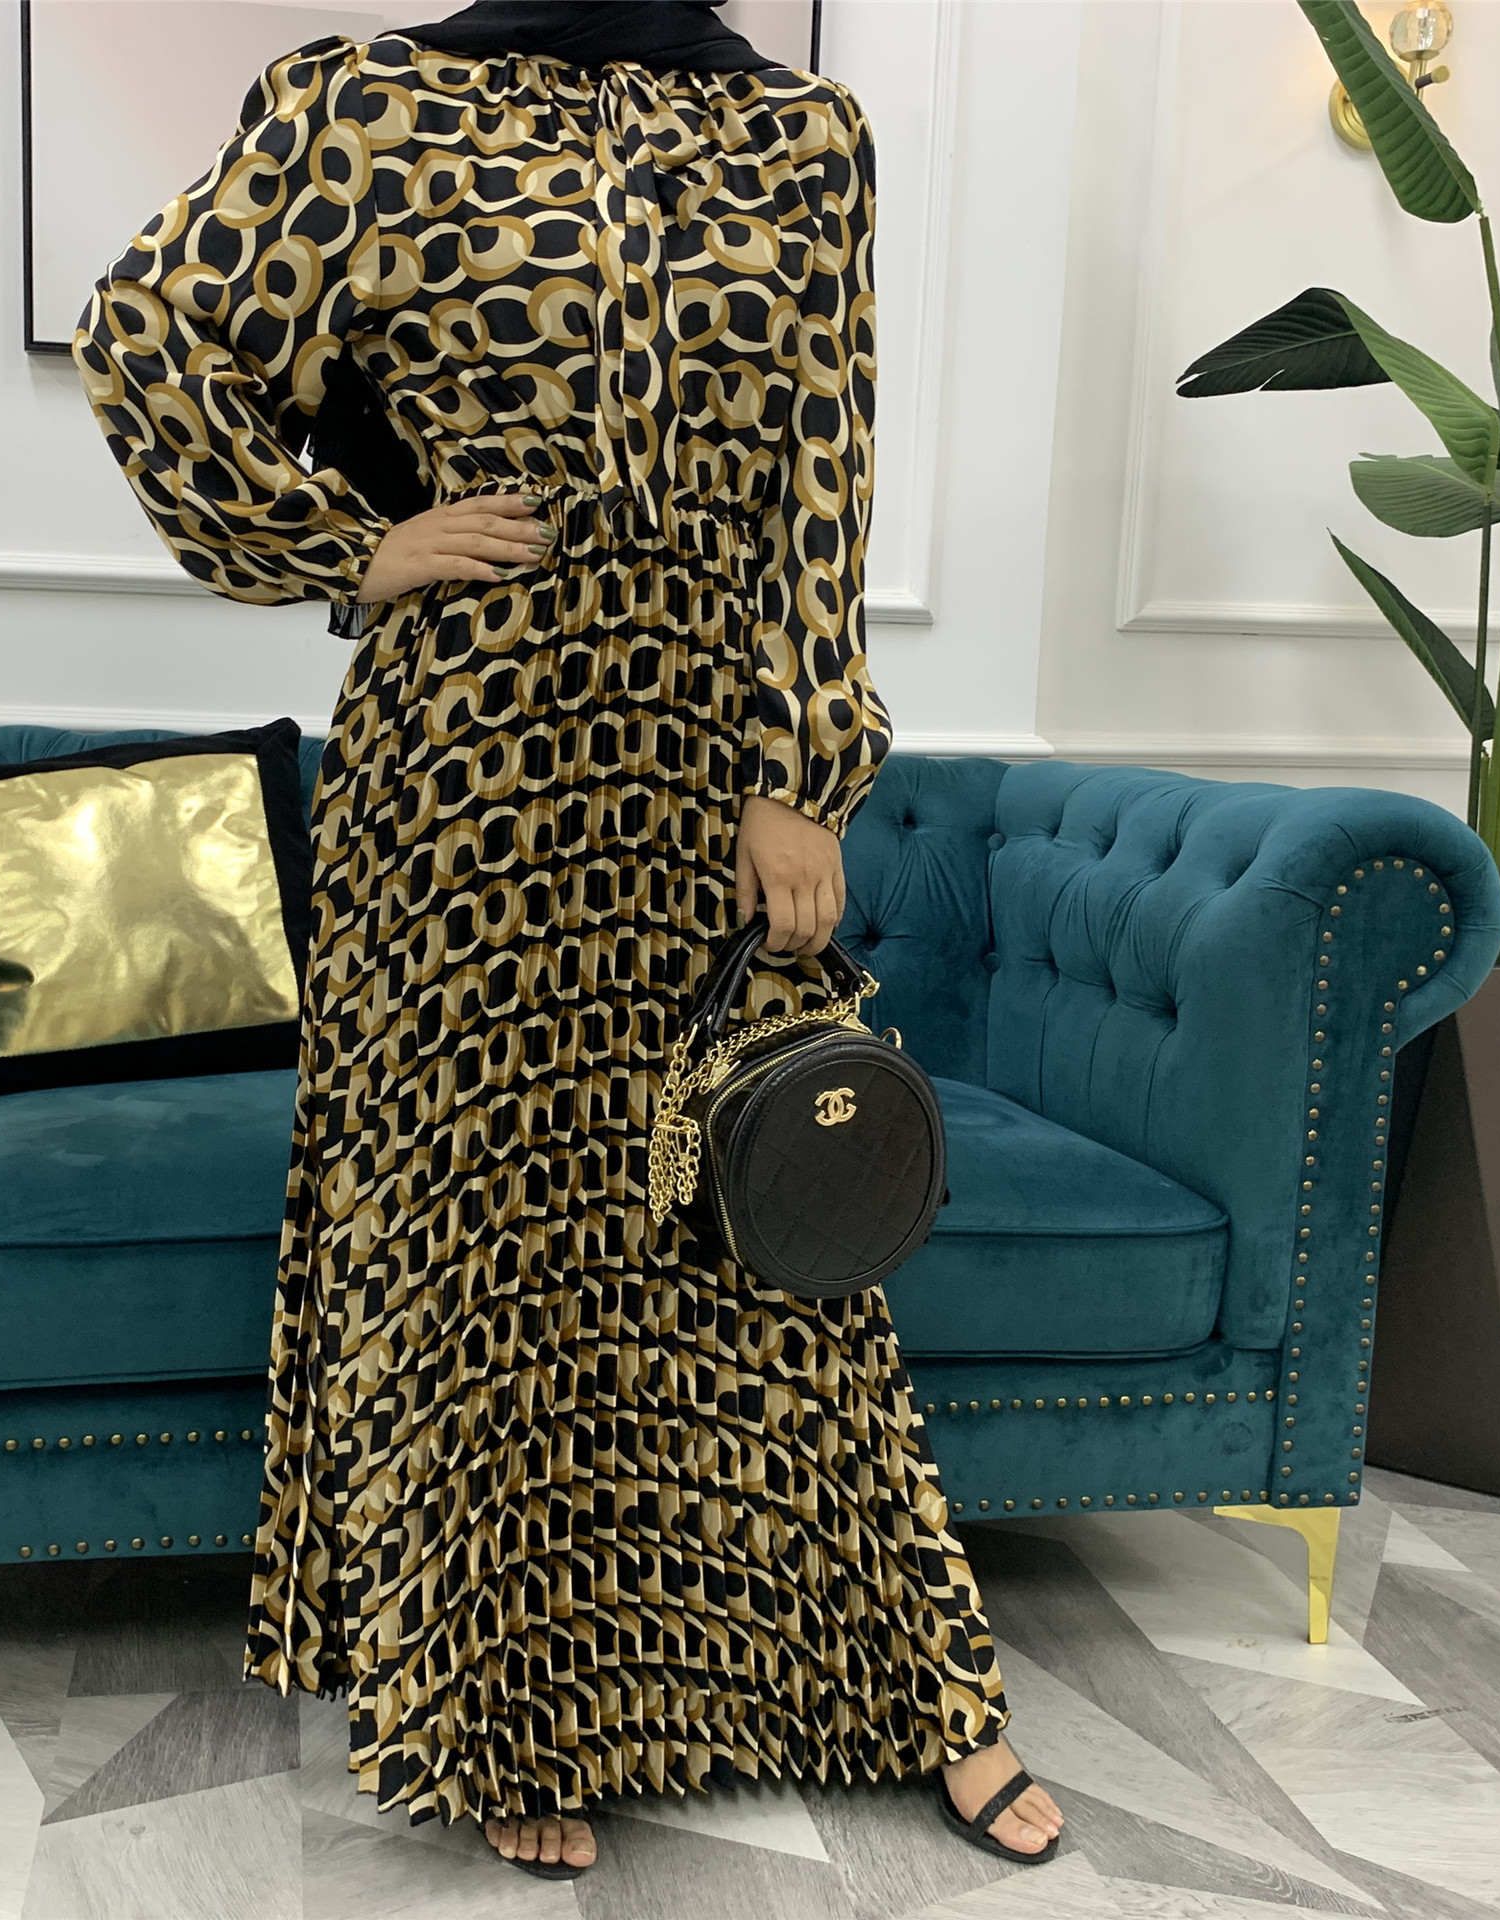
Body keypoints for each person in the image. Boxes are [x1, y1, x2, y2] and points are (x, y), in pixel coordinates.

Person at [72, 0, 1063, 1881]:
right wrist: (346, 544)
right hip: (464, 773)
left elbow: (821, 490)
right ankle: (514, 1708)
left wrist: (803, 774)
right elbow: (150, 332)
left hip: (703, 776)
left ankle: (919, 1692)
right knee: (491, 1249)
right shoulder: (370, 102)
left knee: (762, 1230)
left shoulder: (807, 139)